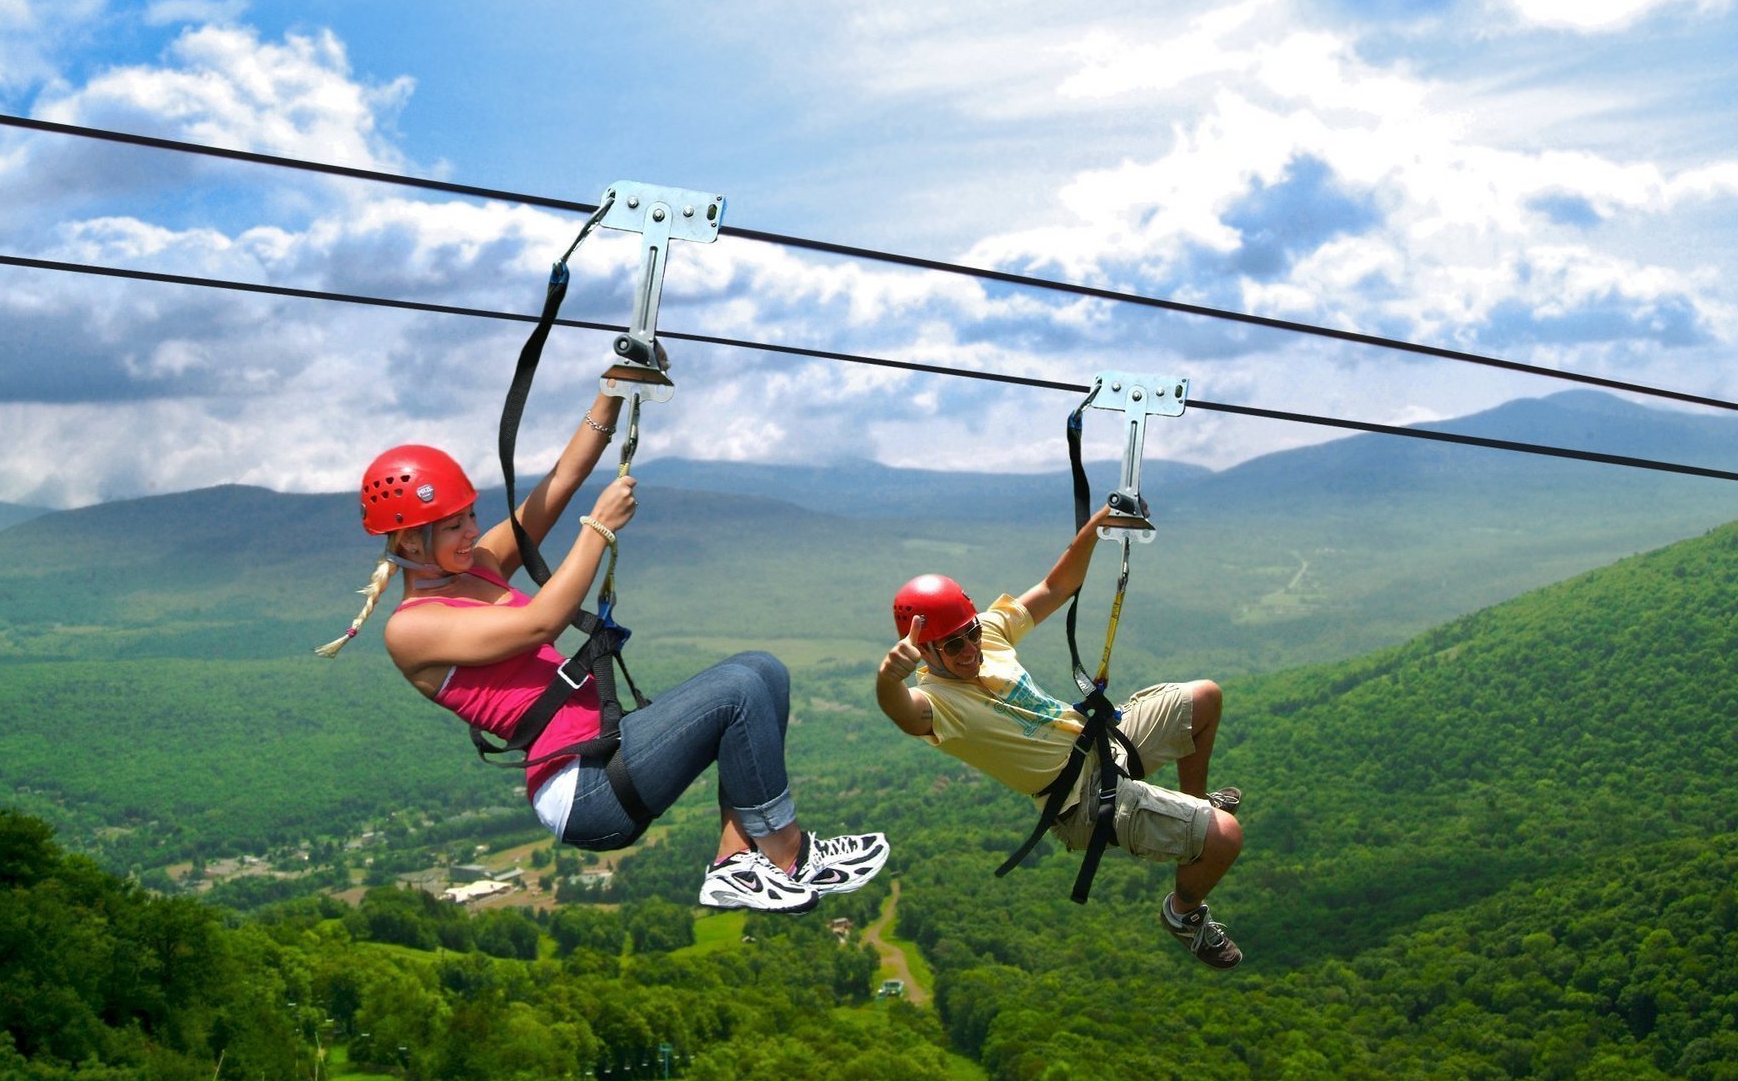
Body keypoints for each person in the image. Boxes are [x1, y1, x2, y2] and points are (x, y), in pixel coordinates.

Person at [319, 387, 888, 913]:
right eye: (453, 526)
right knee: (739, 693)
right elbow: (542, 624)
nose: (472, 531)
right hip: (582, 792)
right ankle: (792, 854)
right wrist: (599, 529)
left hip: (604, 753)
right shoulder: (413, 628)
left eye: (471, 516)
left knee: (762, 672)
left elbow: (563, 478)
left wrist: (612, 389)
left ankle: (737, 861)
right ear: (409, 541)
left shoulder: (480, 566)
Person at [874, 506, 1244, 968]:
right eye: (952, 645)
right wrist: (890, 679)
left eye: (969, 633)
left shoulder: (987, 635)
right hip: (1079, 802)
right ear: (924, 652)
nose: (970, 650)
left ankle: (1194, 805)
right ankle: (1183, 915)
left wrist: (1098, 525)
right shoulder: (938, 703)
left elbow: (1056, 587)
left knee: (1205, 698)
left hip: (1101, 746)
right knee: (1225, 837)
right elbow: (905, 716)